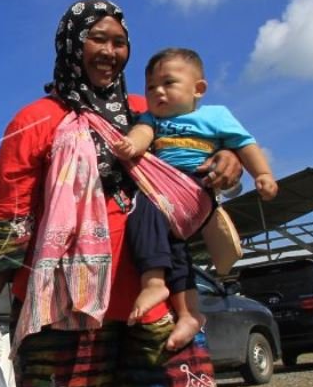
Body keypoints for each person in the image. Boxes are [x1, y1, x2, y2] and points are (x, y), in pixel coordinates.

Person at [0, 0, 242, 387]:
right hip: (65, 319)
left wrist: (228, 163)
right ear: (72, 44)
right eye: (98, 39)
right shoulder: (35, 120)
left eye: (119, 41)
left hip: (155, 311)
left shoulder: (150, 112)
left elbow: (198, 161)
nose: (110, 51)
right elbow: (9, 222)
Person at [114, 47, 278, 349]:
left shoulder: (215, 116)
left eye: (168, 83)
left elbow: (245, 144)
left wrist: (262, 174)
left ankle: (153, 282)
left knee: (144, 211)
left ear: (198, 89)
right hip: (165, 188)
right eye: (151, 87)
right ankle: (190, 313)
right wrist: (129, 146)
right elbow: (142, 135)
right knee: (173, 248)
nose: (158, 92)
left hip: (195, 185)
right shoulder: (151, 118)